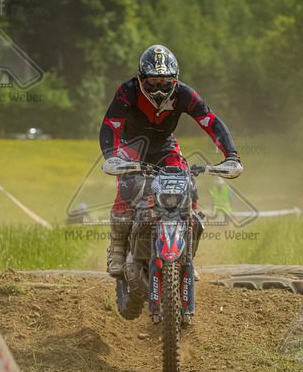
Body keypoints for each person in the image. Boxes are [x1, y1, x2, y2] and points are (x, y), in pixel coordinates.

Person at [99, 44, 242, 277]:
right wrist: (111, 156)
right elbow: (111, 125)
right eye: (152, 82)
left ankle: (186, 257)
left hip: (164, 144)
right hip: (131, 145)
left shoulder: (184, 93)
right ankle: (116, 249)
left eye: (164, 82)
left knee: (188, 187)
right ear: (141, 78)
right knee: (128, 186)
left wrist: (231, 155)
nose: (158, 89)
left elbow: (210, 121)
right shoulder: (128, 91)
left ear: (175, 79)